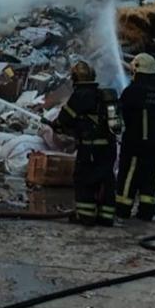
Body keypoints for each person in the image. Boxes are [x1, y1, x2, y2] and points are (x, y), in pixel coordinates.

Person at [50, 61, 118, 226]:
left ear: (74, 78)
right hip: (109, 146)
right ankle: (106, 216)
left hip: (90, 148)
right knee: (106, 179)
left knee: (84, 179)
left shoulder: (80, 95)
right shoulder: (103, 95)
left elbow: (65, 119)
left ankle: (86, 215)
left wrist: (57, 125)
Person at [116, 53, 155, 221]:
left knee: (129, 176)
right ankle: (146, 211)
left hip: (135, 144)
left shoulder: (133, 91)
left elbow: (121, 114)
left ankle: (123, 209)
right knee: (149, 178)